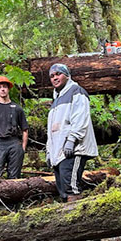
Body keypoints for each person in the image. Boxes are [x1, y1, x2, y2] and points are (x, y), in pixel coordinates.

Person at [46, 63, 98, 203]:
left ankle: (76, 218)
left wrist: (71, 140)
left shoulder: (77, 92)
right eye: (52, 76)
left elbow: (81, 118)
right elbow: (52, 129)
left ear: (67, 75)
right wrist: (49, 151)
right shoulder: (56, 100)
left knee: (71, 186)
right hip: (58, 152)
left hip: (74, 149)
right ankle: (67, 217)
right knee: (62, 188)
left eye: (58, 74)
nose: (55, 78)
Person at [0, 76, 29, 180]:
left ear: (8, 89)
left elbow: (25, 129)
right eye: (0, 87)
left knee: (14, 177)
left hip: (14, 143)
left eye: (4, 87)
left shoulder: (17, 108)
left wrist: (22, 148)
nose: (2, 89)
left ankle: (13, 196)